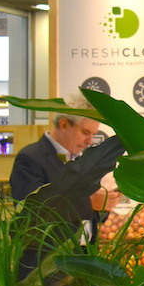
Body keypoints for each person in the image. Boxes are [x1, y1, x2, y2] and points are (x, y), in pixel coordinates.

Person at [11, 96, 119, 243]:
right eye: (85, 132)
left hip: (84, 253)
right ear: (64, 124)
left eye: (93, 134)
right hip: (49, 254)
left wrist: (103, 206)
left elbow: (91, 218)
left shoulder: (83, 160)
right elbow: (32, 215)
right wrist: (89, 203)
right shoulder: (30, 158)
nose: (90, 141)